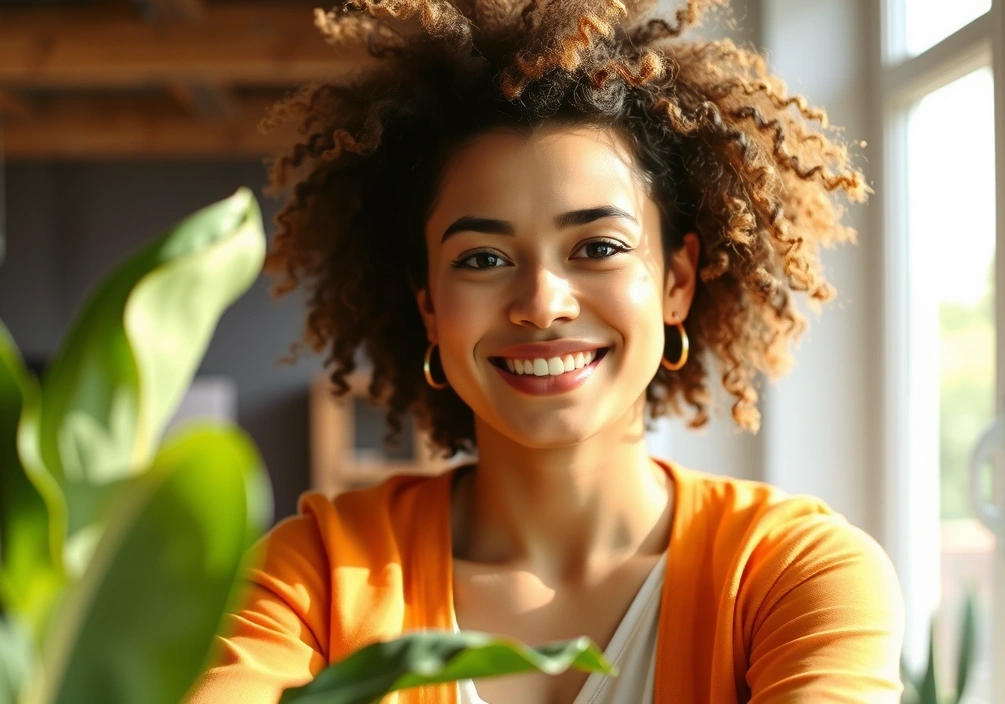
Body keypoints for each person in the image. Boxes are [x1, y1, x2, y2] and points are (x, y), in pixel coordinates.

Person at [186, 1, 904, 702]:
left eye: (597, 247)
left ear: (677, 283)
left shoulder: (795, 573)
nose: (542, 302)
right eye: (482, 259)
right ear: (429, 306)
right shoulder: (312, 574)